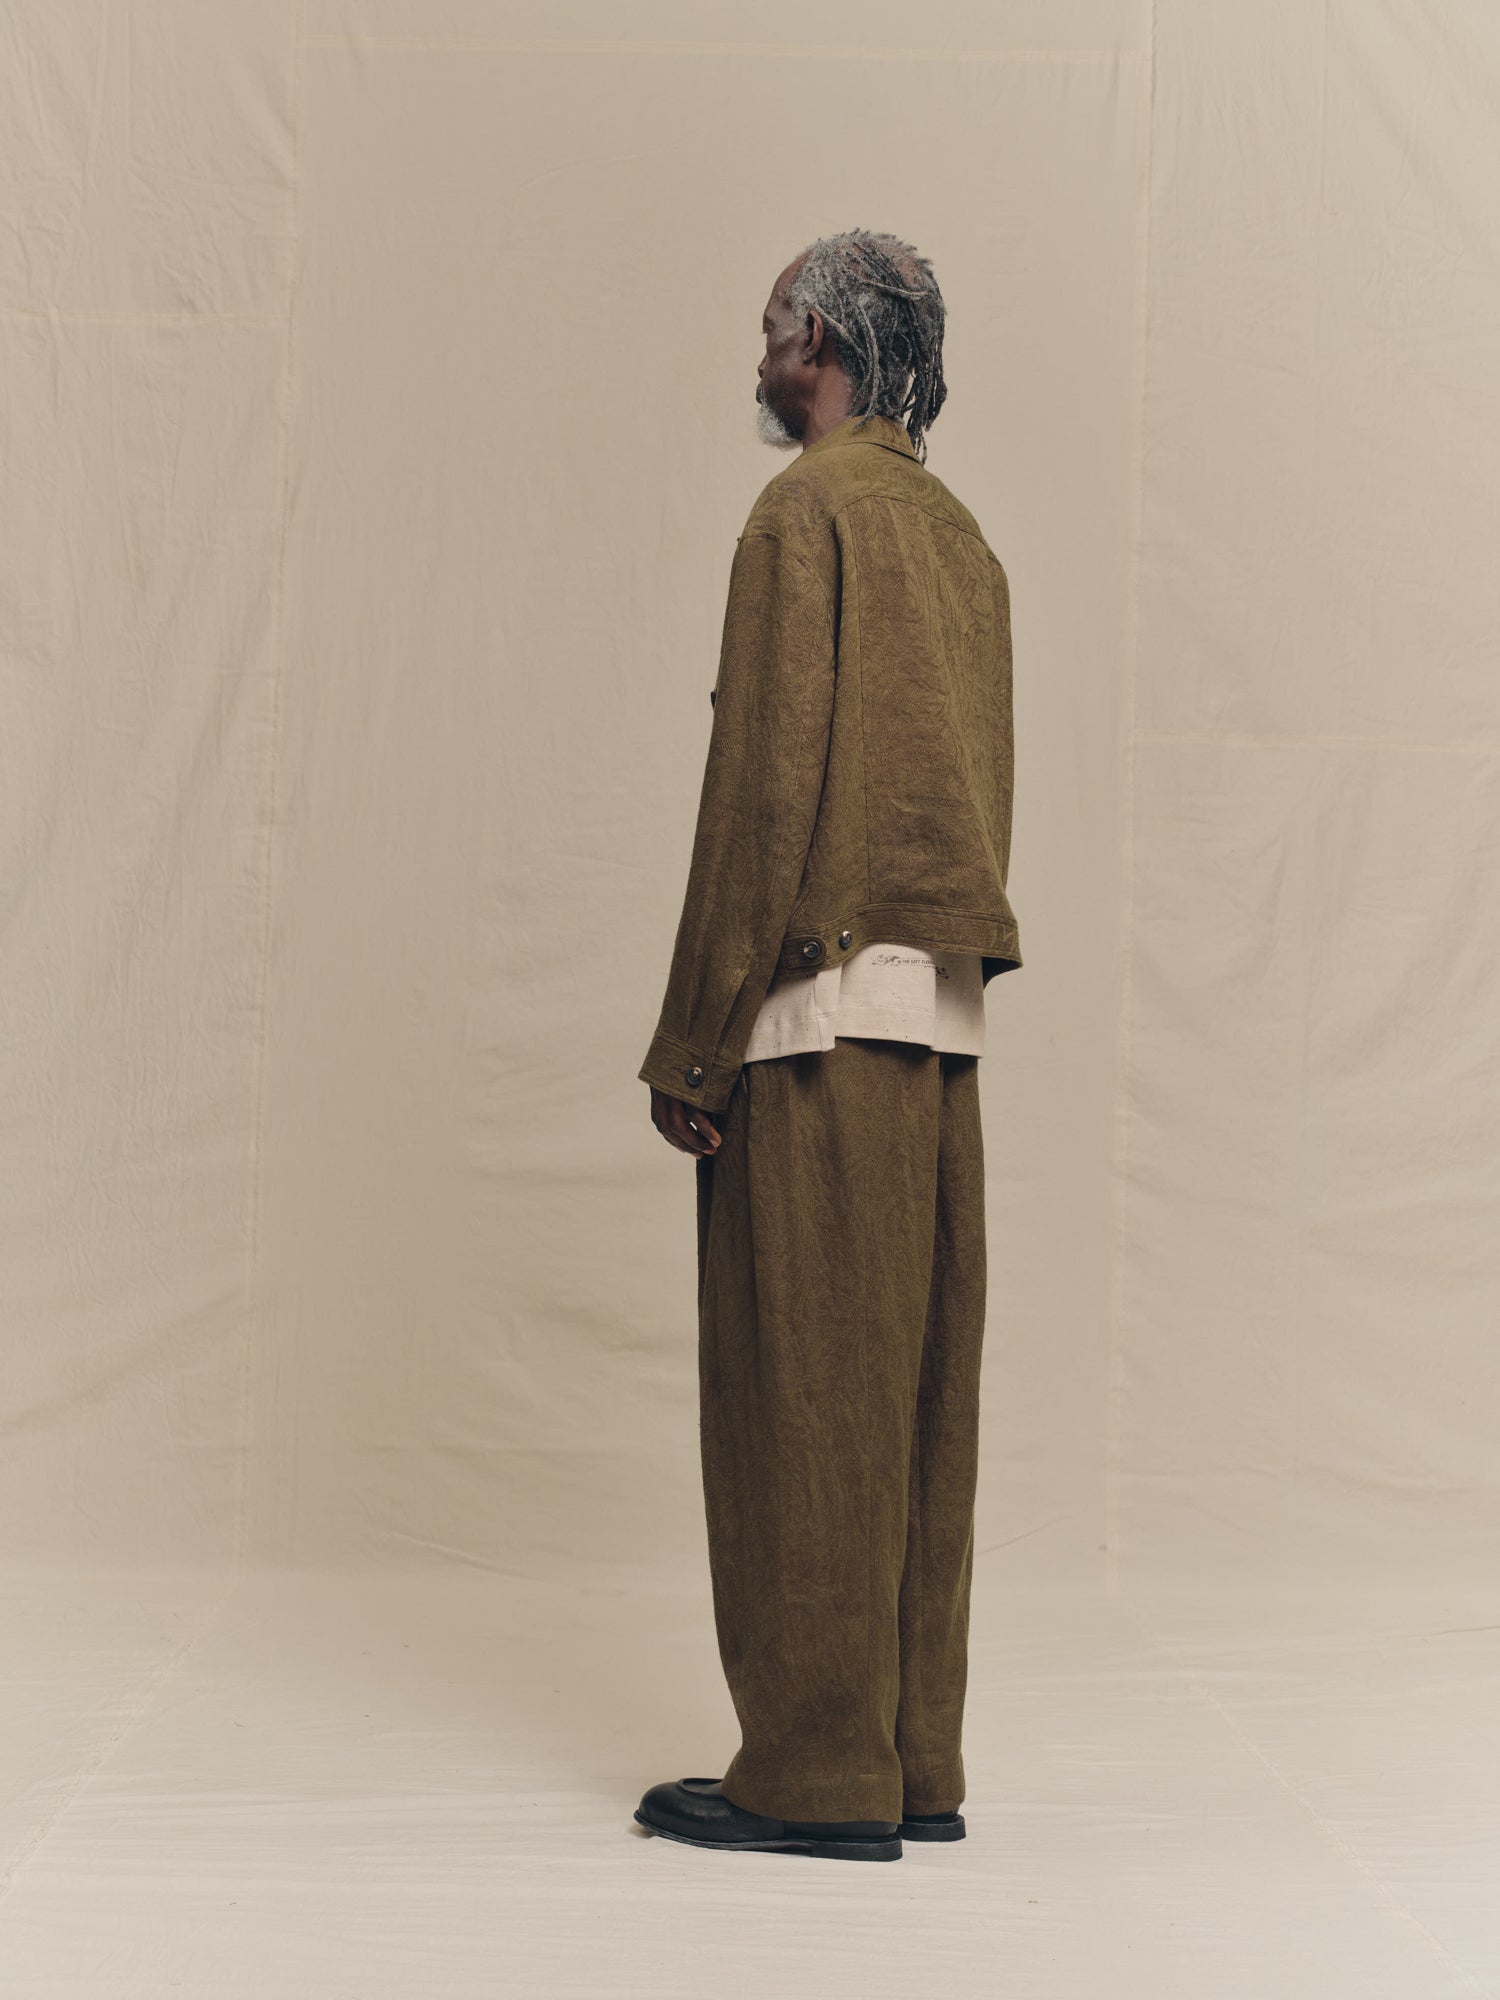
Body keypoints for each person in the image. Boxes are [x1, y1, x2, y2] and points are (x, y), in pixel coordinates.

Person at [634, 228, 1022, 1863]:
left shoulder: (805, 514)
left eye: (772, 320)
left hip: (810, 1017)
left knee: (800, 1396)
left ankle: (810, 1773)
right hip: (940, 1025)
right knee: (915, 1406)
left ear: (820, 340)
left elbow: (763, 792)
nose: (759, 347)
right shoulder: (963, 541)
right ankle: (910, 1759)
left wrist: (696, 1043)